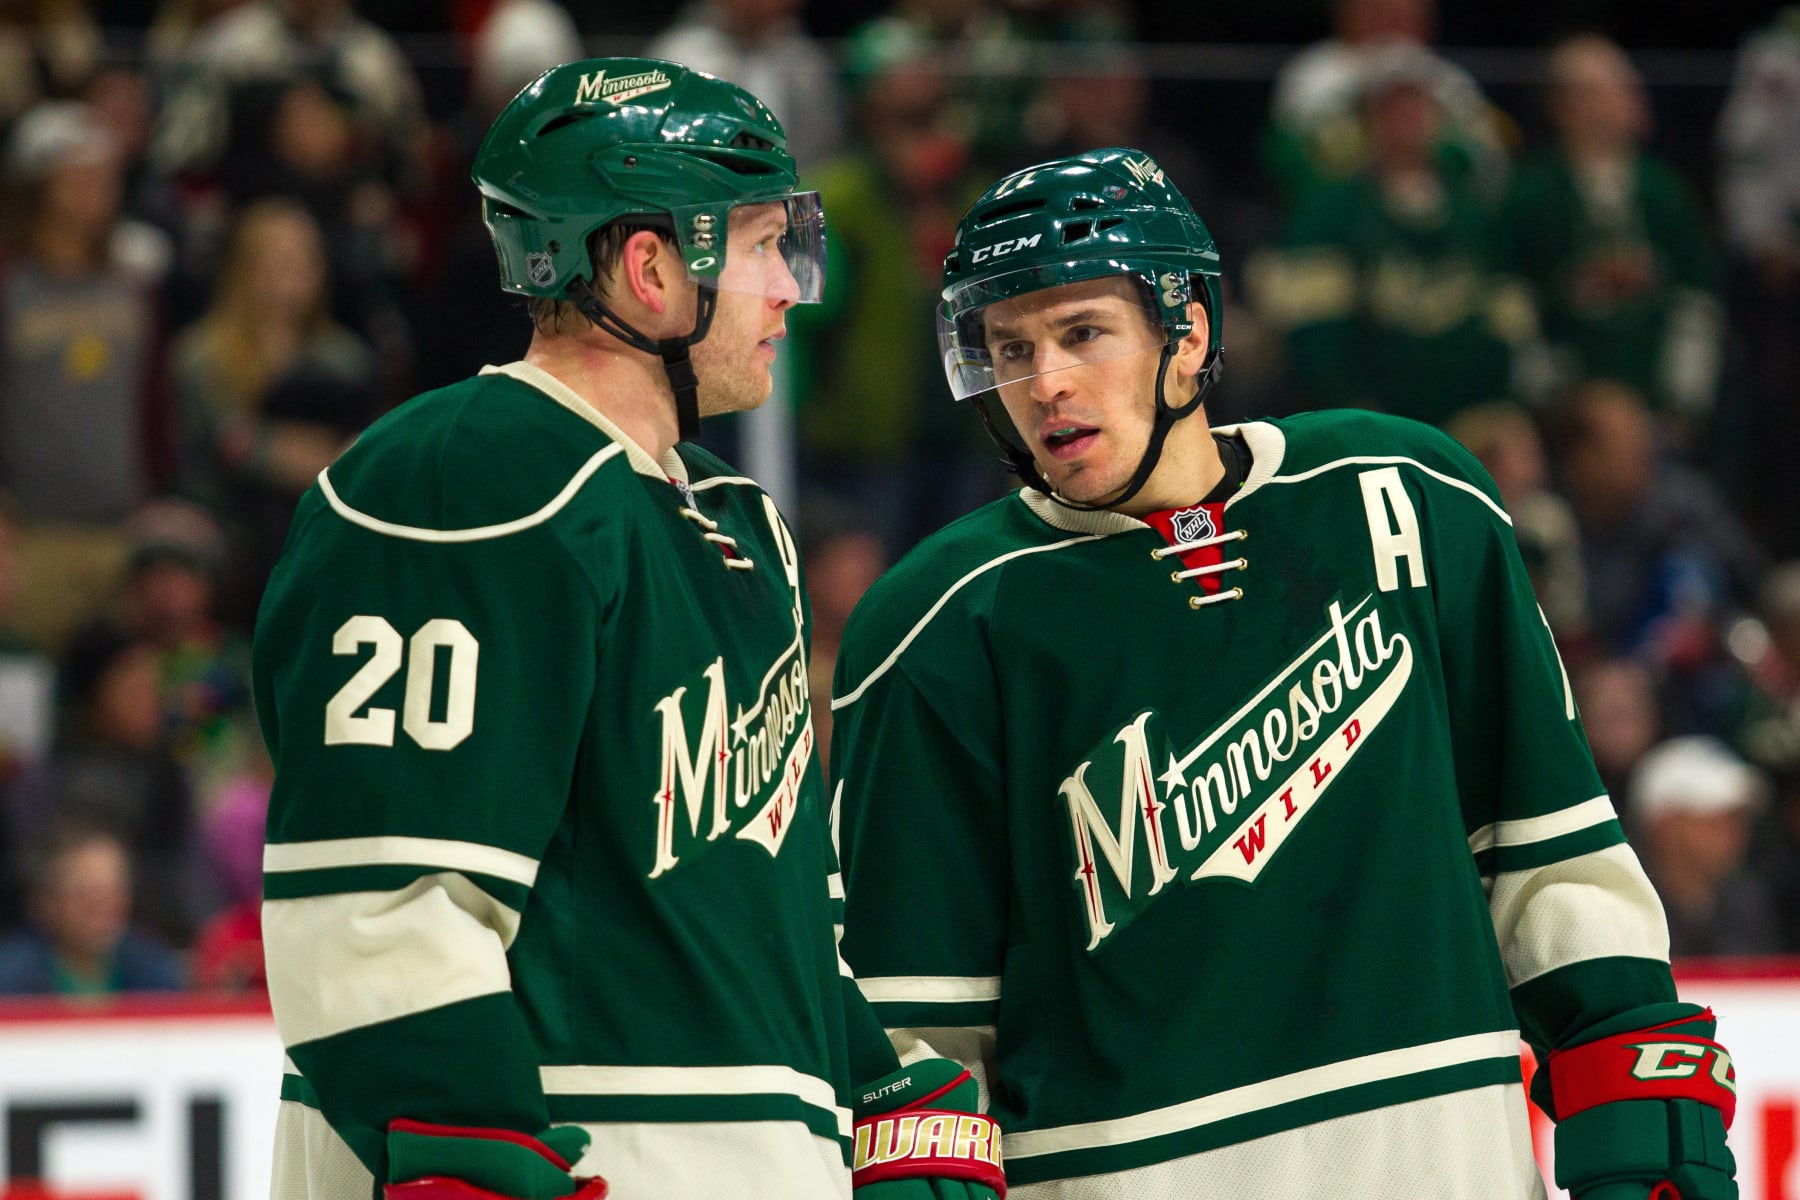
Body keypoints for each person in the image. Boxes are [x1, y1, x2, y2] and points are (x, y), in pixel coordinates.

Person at [831, 147, 1740, 1199]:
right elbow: (919, 1036)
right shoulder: (936, 624)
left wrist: (1638, 1102)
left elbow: (1550, 861)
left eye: (1084, 333)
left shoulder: (1404, 497)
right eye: (1011, 346)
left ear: (1190, 333)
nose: (1048, 384)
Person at [252, 58, 1001, 1200]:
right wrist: (472, 1151)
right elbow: (379, 902)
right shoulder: (472, 473)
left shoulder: (735, 519)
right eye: (761, 245)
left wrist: (874, 1089)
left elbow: (754, 899)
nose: (792, 289)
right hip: (589, 1149)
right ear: (651, 267)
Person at [0, 822, 183, 996]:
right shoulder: (12, 976)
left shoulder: (153, 968)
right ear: (46, 901)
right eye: (86, 894)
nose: (104, 908)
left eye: (114, 891)